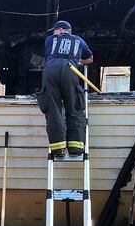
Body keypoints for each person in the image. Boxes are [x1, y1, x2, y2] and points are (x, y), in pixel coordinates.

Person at [37, 20, 93, 157]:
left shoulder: (50, 40)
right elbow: (90, 58)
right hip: (71, 69)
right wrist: (78, 62)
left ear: (60, 29)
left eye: (55, 30)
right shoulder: (79, 40)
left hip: (51, 70)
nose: (54, 32)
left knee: (53, 108)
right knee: (74, 106)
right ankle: (76, 147)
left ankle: (58, 148)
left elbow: (51, 54)